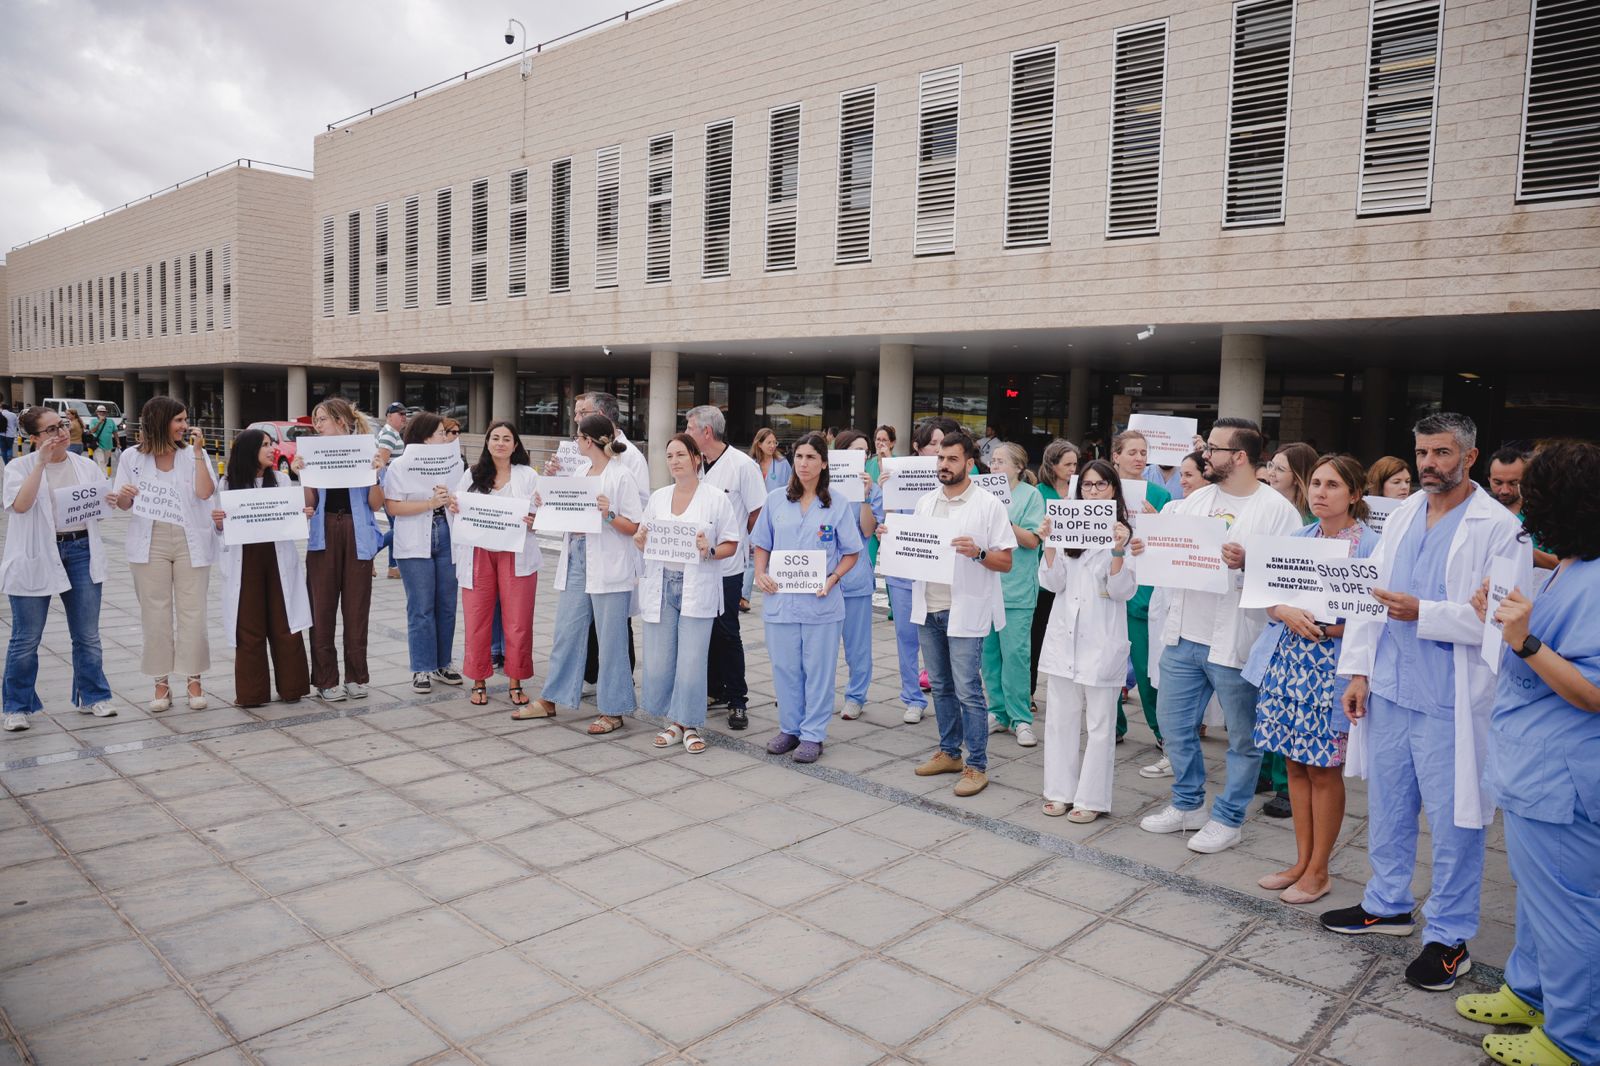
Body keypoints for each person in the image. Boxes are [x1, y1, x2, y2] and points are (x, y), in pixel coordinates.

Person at [1321, 412, 1530, 992]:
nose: (1429, 464)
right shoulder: (1406, 513)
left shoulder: (1498, 527)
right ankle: (1386, 905)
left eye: (1441, 453)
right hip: (1389, 687)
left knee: (1455, 819)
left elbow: (1503, 620)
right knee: (1387, 804)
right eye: (1422, 453)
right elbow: (1373, 594)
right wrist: (1358, 671)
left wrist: (1427, 613)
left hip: (1451, 700)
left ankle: (1449, 937)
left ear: (1469, 455)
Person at [1456, 441, 1600, 1066]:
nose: (1519, 503)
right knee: (1538, 897)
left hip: (1562, 778)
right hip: (1534, 769)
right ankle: (1531, 991)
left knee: (1569, 913)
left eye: (1530, 492)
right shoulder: (1573, 562)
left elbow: (1592, 692)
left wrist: (1524, 638)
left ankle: (1575, 1039)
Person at [1133, 416, 1301, 853]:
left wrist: (1248, 562)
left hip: (1234, 642)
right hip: (1184, 634)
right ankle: (1187, 804)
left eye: (1213, 449)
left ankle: (1229, 817)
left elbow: (1287, 578)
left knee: (1243, 738)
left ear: (1239, 457)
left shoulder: (1275, 511)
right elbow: (1167, 553)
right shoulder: (1193, 501)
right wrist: (1143, 546)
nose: (1204, 454)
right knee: (1174, 727)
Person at [1245, 454, 1377, 903]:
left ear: (1354, 494)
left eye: (1333, 485)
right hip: (1288, 664)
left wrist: (1328, 627)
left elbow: (1375, 617)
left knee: (1324, 770)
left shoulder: (1370, 546)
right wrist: (1284, 611)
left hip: (1333, 670)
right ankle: (1301, 861)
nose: (1321, 492)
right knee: (1294, 765)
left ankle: (1320, 870)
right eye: (1317, 483)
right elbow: (1268, 597)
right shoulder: (1299, 537)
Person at [901, 429, 1016, 797]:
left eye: (952, 459)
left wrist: (979, 553)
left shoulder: (988, 505)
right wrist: (896, 540)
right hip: (930, 607)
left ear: (969, 462)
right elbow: (914, 549)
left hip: (965, 608)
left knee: (969, 690)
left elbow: (1006, 561)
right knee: (941, 687)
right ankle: (950, 752)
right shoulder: (925, 502)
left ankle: (976, 764)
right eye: (940, 458)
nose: (944, 465)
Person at [2, 406, 117, 731]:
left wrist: (113, 500)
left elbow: (99, 502)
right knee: (26, 638)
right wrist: (39, 462)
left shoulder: (85, 465)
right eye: (51, 429)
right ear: (35, 437)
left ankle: (93, 696)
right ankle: (17, 706)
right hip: (36, 553)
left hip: (81, 549)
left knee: (87, 635)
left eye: (62, 425)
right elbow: (20, 506)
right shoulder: (18, 467)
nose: (61, 433)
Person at [750, 432, 862, 762]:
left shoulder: (837, 503)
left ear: (824, 463)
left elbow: (852, 552)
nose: (803, 463)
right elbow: (762, 544)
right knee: (785, 668)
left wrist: (833, 579)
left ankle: (813, 734)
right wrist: (760, 573)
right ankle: (790, 729)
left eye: (811, 457)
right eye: (799, 456)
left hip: (821, 602)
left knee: (819, 670)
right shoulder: (775, 500)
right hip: (781, 600)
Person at [1036, 461, 1136, 820]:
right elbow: (1052, 584)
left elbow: (1122, 590)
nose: (1093, 492)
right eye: (1088, 486)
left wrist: (1119, 551)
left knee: (1100, 723)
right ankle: (1059, 791)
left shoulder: (1126, 533)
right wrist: (1049, 543)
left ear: (1114, 490)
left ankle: (1091, 799)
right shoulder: (1067, 528)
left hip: (1102, 638)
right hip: (1065, 636)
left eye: (1101, 485)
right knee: (1060, 718)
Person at [532, 414, 642, 733]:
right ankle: (552, 697)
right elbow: (568, 508)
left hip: (609, 563)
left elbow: (634, 526)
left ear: (589, 441)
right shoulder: (581, 471)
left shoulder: (621, 476)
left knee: (611, 640)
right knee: (567, 630)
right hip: (578, 557)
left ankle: (614, 709)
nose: (575, 442)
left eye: (578, 437)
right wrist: (546, 500)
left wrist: (608, 515)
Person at [636, 433, 741, 754]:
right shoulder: (658, 497)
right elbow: (644, 536)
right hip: (661, 583)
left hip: (697, 585)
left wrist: (709, 549)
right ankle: (674, 718)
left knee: (693, 659)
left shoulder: (715, 498)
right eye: (669, 456)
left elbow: (731, 543)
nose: (675, 461)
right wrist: (640, 540)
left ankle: (688, 724)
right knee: (660, 659)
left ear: (697, 458)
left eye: (681, 454)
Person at [113, 396, 218, 712]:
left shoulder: (192, 455)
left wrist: (199, 454)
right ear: (160, 422)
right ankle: (160, 682)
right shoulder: (131, 458)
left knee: (193, 612)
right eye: (179, 420)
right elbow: (121, 504)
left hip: (190, 538)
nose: (185, 426)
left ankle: (193, 679)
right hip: (150, 539)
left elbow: (204, 492)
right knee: (155, 614)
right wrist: (125, 496)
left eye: (186, 420)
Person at [292, 397, 387, 703]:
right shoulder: (312, 454)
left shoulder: (365, 450)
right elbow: (310, 504)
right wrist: (301, 475)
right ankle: (326, 679)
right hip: (323, 533)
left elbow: (375, 504)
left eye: (322, 420)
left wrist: (375, 473)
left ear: (341, 421)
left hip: (357, 532)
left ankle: (357, 677)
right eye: (316, 421)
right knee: (321, 609)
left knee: (357, 609)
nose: (316, 425)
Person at [211, 429, 312, 708]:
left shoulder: (280, 480)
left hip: (277, 558)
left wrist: (302, 515)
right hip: (246, 562)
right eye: (265, 445)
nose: (271, 449)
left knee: (285, 624)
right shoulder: (228, 484)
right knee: (249, 627)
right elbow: (222, 531)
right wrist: (219, 523)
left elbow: (291, 520)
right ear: (248, 450)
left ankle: (293, 688)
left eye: (272, 444)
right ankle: (252, 694)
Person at [685, 404, 766, 730]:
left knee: (727, 631)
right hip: (696, 564)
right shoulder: (694, 465)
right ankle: (712, 689)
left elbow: (758, 511)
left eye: (690, 428)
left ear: (707, 432)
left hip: (728, 565)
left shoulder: (742, 465)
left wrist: (741, 541)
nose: (686, 433)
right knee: (703, 630)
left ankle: (737, 699)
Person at [453, 421, 540, 709]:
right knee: (477, 619)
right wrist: (453, 507)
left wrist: (534, 519)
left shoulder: (528, 476)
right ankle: (478, 680)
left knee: (518, 621)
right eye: (495, 438)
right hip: (479, 554)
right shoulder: (472, 475)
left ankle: (516, 681)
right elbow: (459, 510)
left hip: (517, 554)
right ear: (487, 443)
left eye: (507, 439)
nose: (500, 443)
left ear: (515, 445)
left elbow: (543, 512)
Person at [879, 417, 959, 723]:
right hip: (904, 570)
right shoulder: (900, 474)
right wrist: (887, 494)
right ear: (918, 447)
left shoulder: (953, 481)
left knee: (944, 639)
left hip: (939, 572)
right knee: (906, 636)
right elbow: (884, 521)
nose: (939, 453)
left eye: (944, 446)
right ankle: (912, 697)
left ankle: (947, 696)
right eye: (934, 446)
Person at [385, 412, 464, 694]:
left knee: (447, 604)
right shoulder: (399, 467)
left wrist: (453, 501)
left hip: (446, 534)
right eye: (441, 433)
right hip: (415, 538)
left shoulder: (455, 464)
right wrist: (430, 503)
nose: (446, 437)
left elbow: (462, 499)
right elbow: (393, 507)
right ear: (425, 436)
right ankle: (421, 667)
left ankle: (444, 662)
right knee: (421, 607)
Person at [981, 442, 1045, 746]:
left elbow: (1033, 540)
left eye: (1000, 462)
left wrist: (1003, 518)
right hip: (985, 587)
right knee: (989, 656)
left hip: (1017, 589)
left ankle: (1021, 718)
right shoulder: (981, 496)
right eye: (992, 461)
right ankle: (998, 712)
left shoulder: (1031, 496)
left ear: (1019, 467)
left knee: (1017, 656)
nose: (994, 467)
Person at [1113, 429, 1170, 746]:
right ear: (1116, 455)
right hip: (1107, 582)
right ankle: (1114, 727)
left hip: (1144, 587)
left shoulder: (1159, 495)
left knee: (1148, 670)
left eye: (1143, 452)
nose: (1139, 458)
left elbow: (1170, 542)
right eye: (1132, 452)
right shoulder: (1101, 487)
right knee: (1108, 666)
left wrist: (1160, 521)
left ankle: (1161, 731)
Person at [833, 430, 882, 720]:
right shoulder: (824, 485)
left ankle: (856, 696)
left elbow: (866, 530)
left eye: (866, 451)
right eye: (856, 450)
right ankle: (813, 693)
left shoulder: (872, 489)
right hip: (823, 577)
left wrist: (864, 497)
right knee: (817, 645)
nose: (863, 456)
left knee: (857, 645)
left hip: (855, 578)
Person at [1031, 438, 1082, 711]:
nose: (1074, 469)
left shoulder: (1082, 492)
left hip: (1073, 576)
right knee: (1035, 635)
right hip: (1043, 573)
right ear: (1052, 465)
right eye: (1068, 464)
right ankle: (1028, 692)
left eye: (1076, 464)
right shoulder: (1038, 493)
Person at [742, 427, 792, 611]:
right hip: (753, 514)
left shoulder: (782, 463)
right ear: (759, 443)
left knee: (770, 556)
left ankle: (775, 591)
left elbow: (789, 489)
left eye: (774, 442)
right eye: (769, 442)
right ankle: (743, 597)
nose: (772, 446)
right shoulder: (749, 464)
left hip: (776, 515)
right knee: (751, 554)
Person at [1487, 445, 1557, 570]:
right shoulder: (1479, 512)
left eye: (1513, 483)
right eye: (1497, 482)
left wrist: (1521, 551)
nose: (1505, 490)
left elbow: (1564, 564)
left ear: (1526, 479)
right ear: (1489, 479)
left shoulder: (1544, 513)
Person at [374, 402, 407, 578]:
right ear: (388, 416)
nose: (403, 417)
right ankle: (371, 552)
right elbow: (381, 464)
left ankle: (393, 567)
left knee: (396, 526)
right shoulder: (388, 435)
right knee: (399, 528)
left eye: (404, 414)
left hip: (392, 487)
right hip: (390, 488)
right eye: (399, 414)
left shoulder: (391, 433)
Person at [1267, 442, 1319, 521]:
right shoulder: (1262, 505)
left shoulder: (1313, 518)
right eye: (1271, 465)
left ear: (1297, 477)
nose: (1270, 473)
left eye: (1280, 469)